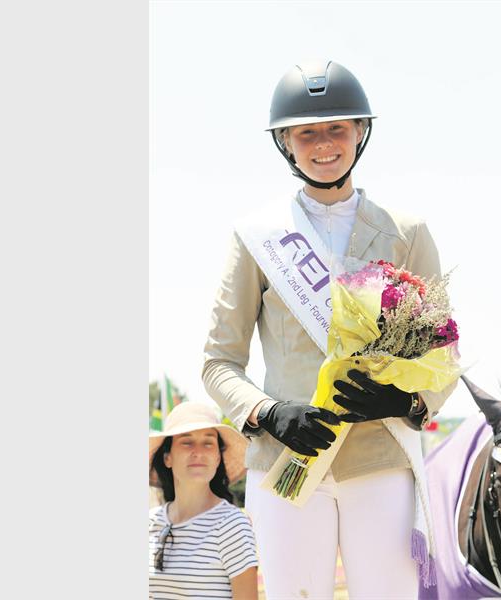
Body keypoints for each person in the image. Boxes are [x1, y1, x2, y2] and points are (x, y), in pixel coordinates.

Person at [202, 59, 456, 598]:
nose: (323, 144)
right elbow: (218, 362)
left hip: (381, 458)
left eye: (337, 128)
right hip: (287, 460)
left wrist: (406, 402)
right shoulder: (257, 237)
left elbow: (444, 355)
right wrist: (269, 412)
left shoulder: (408, 233)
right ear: (285, 143)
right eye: (306, 133)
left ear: (360, 132)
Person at [149, 401, 258, 599]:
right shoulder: (150, 522)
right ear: (167, 458)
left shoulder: (232, 524)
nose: (198, 452)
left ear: (217, 457)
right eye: (186, 442)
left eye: (208, 443)